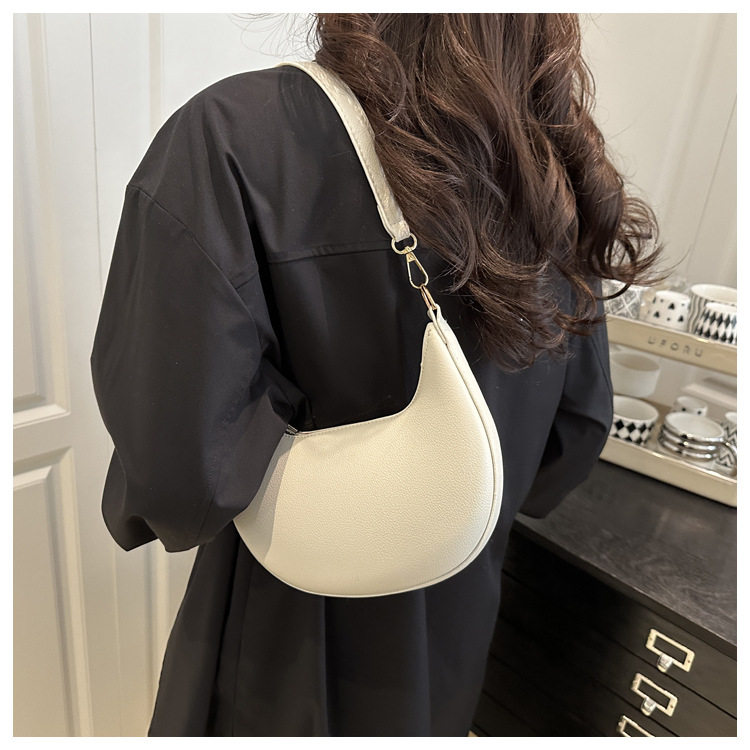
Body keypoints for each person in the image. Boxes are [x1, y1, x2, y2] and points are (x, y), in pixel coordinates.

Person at [90, 13, 664, 737]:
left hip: (282, 650)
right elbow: (571, 437)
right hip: (453, 631)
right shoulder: (554, 167)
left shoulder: (232, 138)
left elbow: (179, 474)